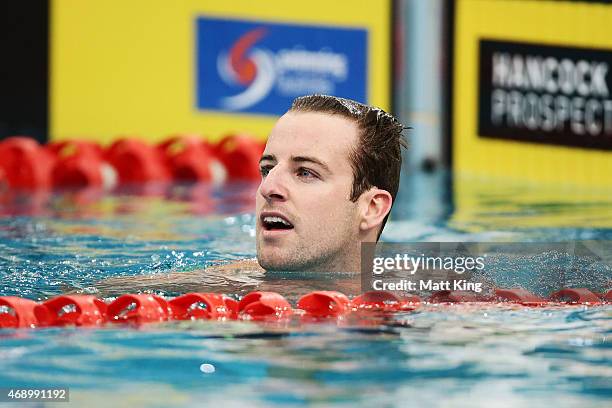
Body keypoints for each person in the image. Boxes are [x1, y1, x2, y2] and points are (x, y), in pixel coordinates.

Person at [94, 95, 406, 294]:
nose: (268, 188)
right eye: (268, 168)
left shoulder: (430, 296)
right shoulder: (219, 286)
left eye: (306, 173)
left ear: (372, 208)